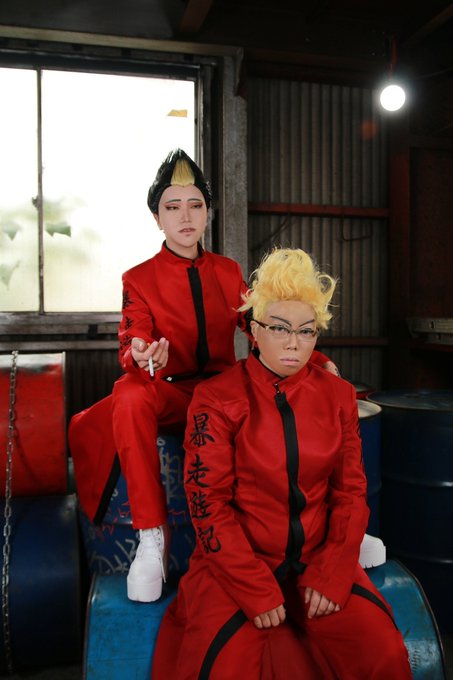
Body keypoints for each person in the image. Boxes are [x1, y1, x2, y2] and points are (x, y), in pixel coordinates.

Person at [68, 151, 337, 603]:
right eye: (172, 207)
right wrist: (141, 354)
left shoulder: (228, 272)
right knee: (129, 393)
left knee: (300, 382)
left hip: (222, 395)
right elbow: (133, 334)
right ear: (157, 218)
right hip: (172, 395)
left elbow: (261, 327)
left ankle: (331, 528)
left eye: (195, 205)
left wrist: (314, 358)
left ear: (208, 213)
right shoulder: (138, 278)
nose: (185, 216)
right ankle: (151, 536)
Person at [151, 248, 412, 679]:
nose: (294, 342)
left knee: (382, 653)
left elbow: (351, 492)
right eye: (279, 327)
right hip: (234, 566)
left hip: (318, 559)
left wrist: (333, 572)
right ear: (254, 330)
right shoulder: (216, 398)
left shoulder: (338, 396)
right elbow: (207, 504)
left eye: (307, 331)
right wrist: (254, 587)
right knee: (227, 668)